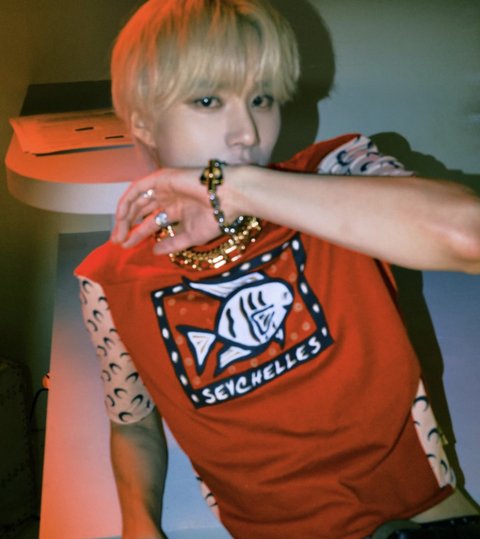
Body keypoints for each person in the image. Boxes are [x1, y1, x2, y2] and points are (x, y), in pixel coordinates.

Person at [75, 0, 480, 537]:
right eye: (208, 100)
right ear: (143, 120)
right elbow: (133, 423)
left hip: (420, 516)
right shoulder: (107, 281)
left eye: (261, 99)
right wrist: (139, 523)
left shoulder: (336, 174)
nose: (247, 132)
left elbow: (468, 235)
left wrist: (240, 189)